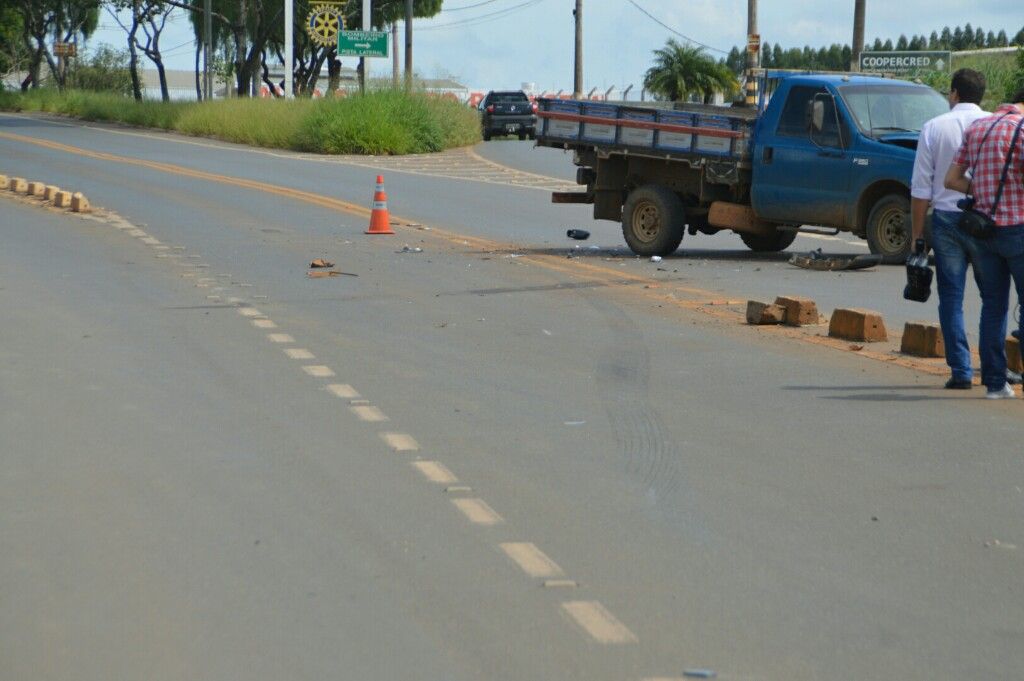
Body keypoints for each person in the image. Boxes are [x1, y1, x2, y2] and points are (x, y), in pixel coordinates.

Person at [910, 69, 989, 390]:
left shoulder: (933, 128)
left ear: (954, 94)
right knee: (993, 298)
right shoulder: (995, 125)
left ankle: (961, 370)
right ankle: (994, 368)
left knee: (951, 297)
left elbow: (920, 190)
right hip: (985, 220)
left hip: (945, 222)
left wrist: (917, 237)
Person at [944, 88, 1024, 399]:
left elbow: (951, 180)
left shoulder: (977, 128)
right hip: (1018, 229)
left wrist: (985, 191)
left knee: (993, 306)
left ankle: (994, 383)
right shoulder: (1020, 130)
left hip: (983, 231)